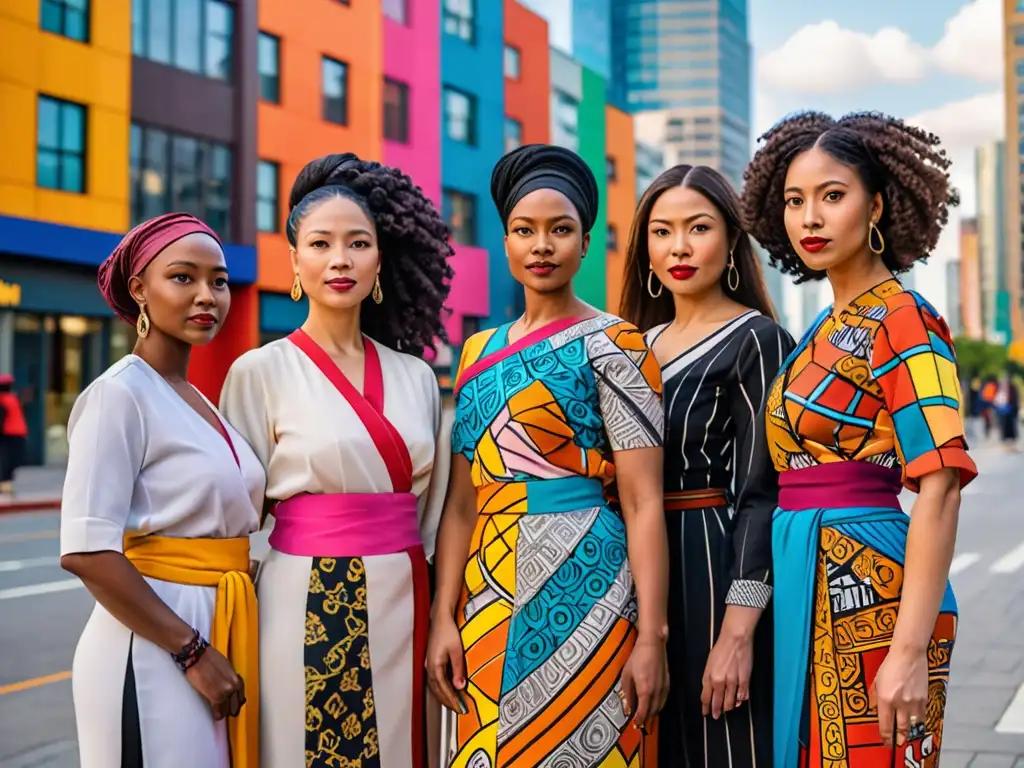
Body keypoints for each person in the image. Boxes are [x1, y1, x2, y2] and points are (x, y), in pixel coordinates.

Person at [742, 111, 978, 767]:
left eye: (832, 195)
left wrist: (908, 650)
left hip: (872, 588)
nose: (810, 217)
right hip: (803, 573)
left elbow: (941, 485)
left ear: (875, 206)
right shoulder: (821, 327)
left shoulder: (906, 319)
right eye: (794, 200)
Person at [427, 144, 670, 768]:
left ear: (585, 244)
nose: (542, 245)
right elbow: (460, 506)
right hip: (486, 589)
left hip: (591, 583)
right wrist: (442, 618)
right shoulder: (476, 353)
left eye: (560, 230)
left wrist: (652, 636)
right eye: (524, 230)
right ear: (505, 241)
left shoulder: (617, 343)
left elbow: (643, 500)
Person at [219, 153, 454, 768]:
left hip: (406, 593)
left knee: (403, 747)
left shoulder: (417, 377)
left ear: (380, 261)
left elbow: (432, 514)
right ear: (295, 261)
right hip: (301, 595)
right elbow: (235, 517)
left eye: (358, 243)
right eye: (320, 244)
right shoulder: (259, 371)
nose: (340, 259)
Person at [59, 213, 266, 768]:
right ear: (139, 290)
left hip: (217, 623)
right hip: (153, 647)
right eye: (182, 277)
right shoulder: (118, 395)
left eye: (219, 281)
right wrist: (192, 652)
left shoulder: (197, 400)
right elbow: (86, 550)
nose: (206, 295)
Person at [619, 164, 794, 766]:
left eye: (698, 228)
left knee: (722, 743)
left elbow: (762, 491)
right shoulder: (629, 346)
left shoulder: (758, 340)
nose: (680, 247)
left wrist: (738, 630)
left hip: (713, 568)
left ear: (731, 240)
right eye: (662, 231)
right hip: (631, 573)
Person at [0, 374, 27, 494]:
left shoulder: (3, 400)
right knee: (11, 460)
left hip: (8, 434)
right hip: (19, 433)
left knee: (5, 460)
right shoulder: (13, 399)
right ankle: (6, 482)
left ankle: (4, 483)